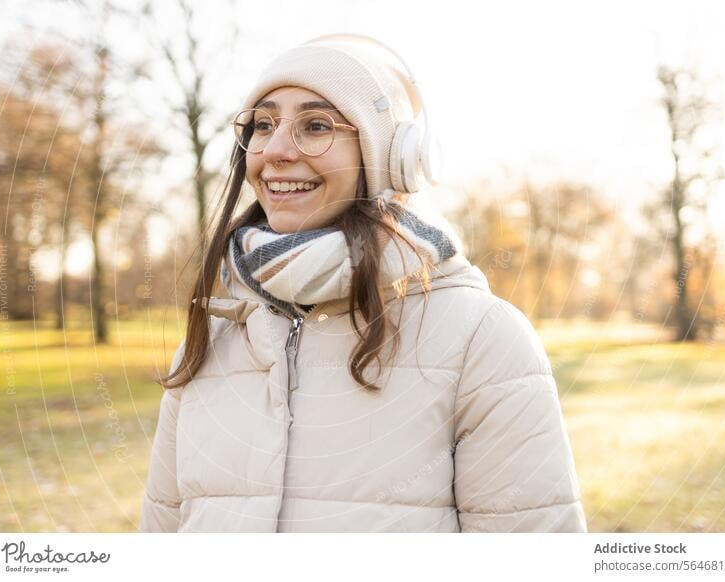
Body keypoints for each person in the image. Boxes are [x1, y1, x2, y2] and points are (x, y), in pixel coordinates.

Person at [139, 33, 587, 533]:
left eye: (315, 126)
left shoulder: (481, 339)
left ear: (390, 158)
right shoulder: (207, 345)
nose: (277, 150)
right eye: (263, 124)